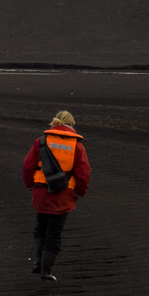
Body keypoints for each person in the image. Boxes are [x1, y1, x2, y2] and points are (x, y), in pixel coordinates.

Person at [22, 110, 91, 281]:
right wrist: (80, 192)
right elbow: (83, 174)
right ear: (71, 125)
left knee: (41, 227)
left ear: (54, 123)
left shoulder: (41, 142)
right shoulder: (77, 146)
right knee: (54, 232)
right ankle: (46, 271)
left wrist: (30, 184)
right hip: (63, 195)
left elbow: (28, 165)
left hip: (41, 192)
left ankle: (38, 261)